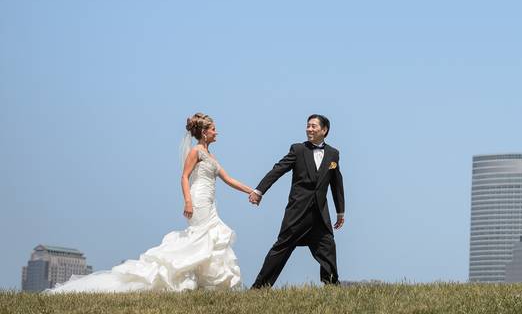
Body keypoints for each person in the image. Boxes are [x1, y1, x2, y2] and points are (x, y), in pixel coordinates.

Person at [46, 113, 256, 292]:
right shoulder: (195, 152)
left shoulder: (211, 155)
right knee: (200, 239)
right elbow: (184, 177)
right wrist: (188, 201)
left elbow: (228, 179)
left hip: (210, 204)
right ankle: (176, 276)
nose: (216, 132)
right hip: (198, 201)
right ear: (204, 132)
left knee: (210, 239)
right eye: (213, 129)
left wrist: (253, 191)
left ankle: (201, 282)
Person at [250, 114, 345, 287]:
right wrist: (259, 190)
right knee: (281, 248)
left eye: (313, 126)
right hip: (298, 212)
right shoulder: (298, 150)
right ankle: (259, 288)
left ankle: (331, 285)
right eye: (308, 126)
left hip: (320, 214)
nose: (309, 129)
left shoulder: (333, 154)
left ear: (324, 130)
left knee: (328, 247)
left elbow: (336, 183)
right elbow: (278, 170)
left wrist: (340, 211)